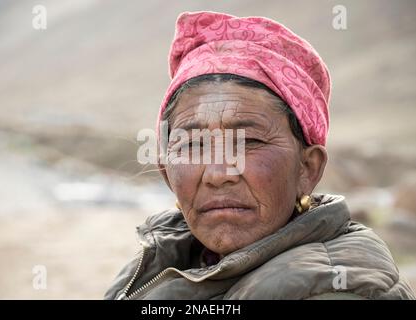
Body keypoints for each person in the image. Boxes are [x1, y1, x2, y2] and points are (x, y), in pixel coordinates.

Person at [105, 11, 415, 300]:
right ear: (166, 172)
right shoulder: (159, 259)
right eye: (192, 145)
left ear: (308, 168)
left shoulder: (340, 288)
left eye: (249, 141)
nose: (218, 172)